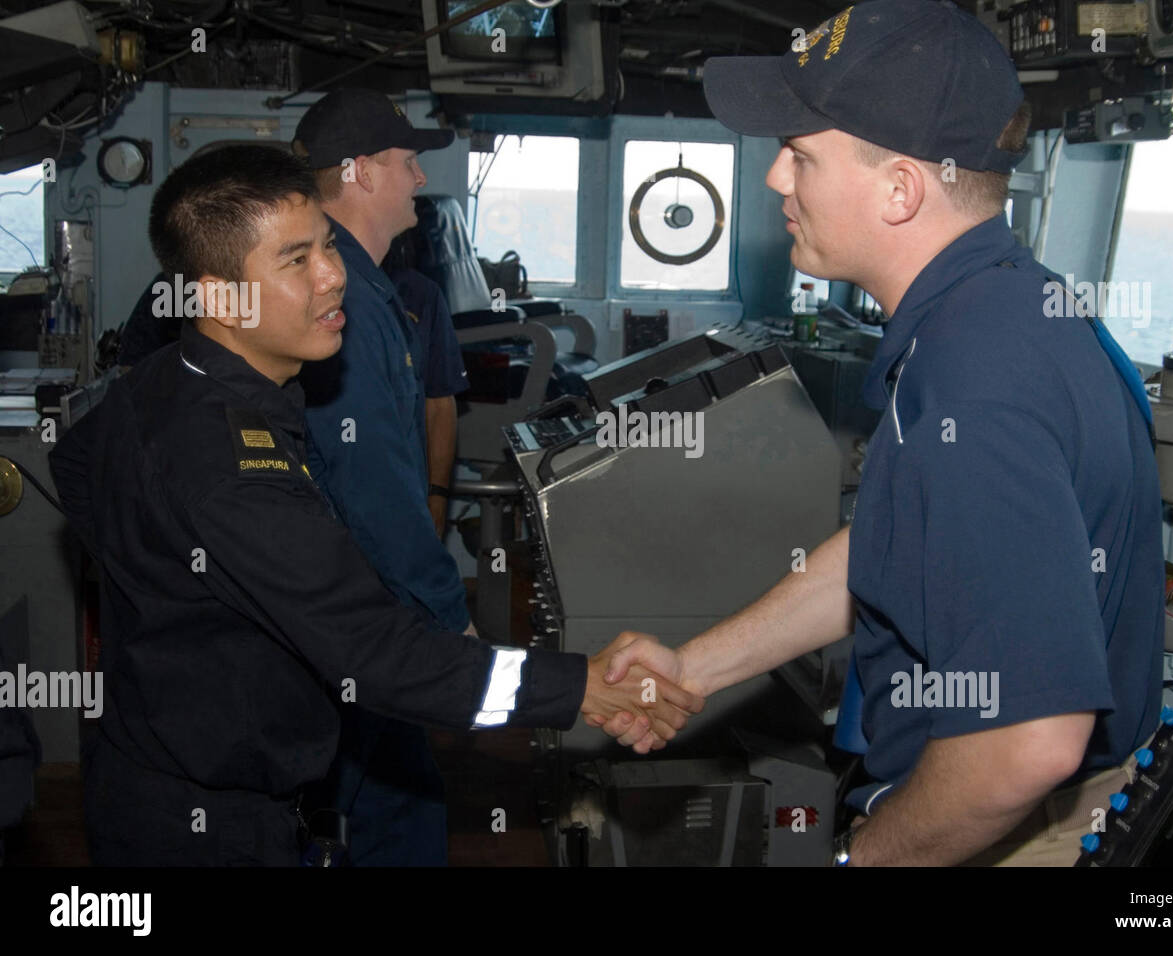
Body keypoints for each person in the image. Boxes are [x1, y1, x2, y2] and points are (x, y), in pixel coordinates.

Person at [596, 0, 1165, 866]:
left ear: (900, 188)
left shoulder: (978, 381)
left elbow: (1027, 741)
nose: (774, 181)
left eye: (801, 155)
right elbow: (892, 546)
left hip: (1013, 827)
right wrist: (694, 669)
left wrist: (866, 857)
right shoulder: (999, 307)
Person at [48, 144, 701, 866]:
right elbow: (380, 657)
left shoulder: (166, 377)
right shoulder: (229, 466)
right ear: (218, 297)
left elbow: (72, 464)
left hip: (161, 773)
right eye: (295, 261)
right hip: (208, 826)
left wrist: (170, 595)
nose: (333, 277)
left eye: (327, 244)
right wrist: (578, 688)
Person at [290, 88, 476, 866]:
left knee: (386, 794)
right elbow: (370, 481)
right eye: (407, 164)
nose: (420, 182)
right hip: (361, 609)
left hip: (350, 603)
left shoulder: (356, 285)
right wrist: (447, 615)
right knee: (375, 809)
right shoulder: (350, 301)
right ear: (362, 172)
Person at [382, 227, 468, 536]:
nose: (419, 177)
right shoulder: (327, 286)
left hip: (407, 484)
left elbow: (439, 400)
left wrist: (438, 496)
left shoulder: (419, 294)